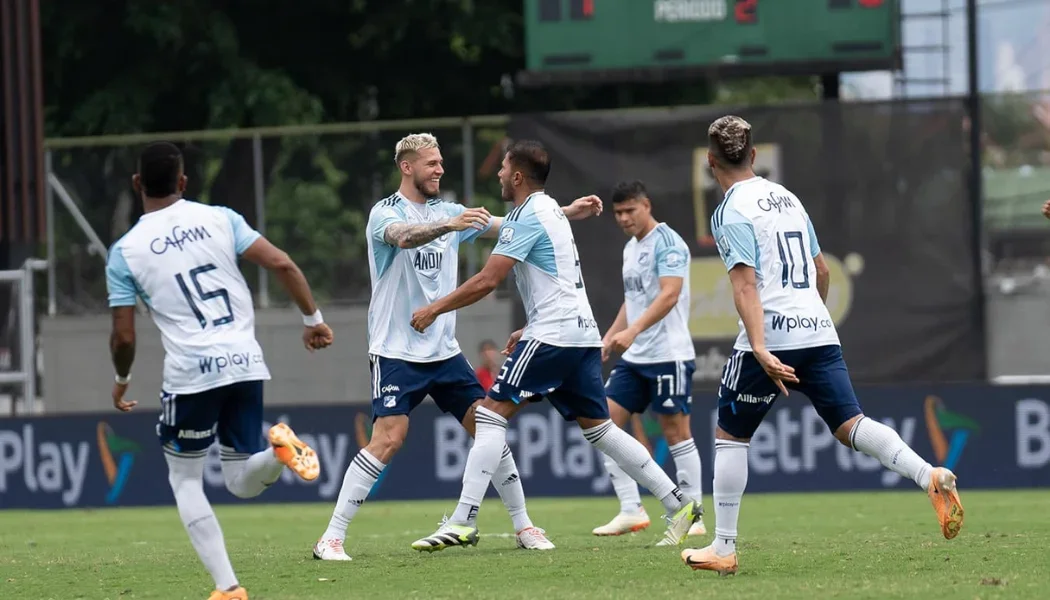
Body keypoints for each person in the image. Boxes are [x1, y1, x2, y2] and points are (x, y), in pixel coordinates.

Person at [680, 116, 965, 576]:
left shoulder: (730, 209)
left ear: (712, 162)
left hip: (770, 334)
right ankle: (927, 474)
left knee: (730, 436)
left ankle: (724, 547)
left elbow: (746, 287)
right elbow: (823, 271)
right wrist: (810, 321)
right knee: (851, 424)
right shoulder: (790, 200)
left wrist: (761, 347)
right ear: (753, 156)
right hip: (817, 327)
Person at [313, 133, 603, 560]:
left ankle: (524, 526)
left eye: (441, 162)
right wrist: (449, 225)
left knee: (488, 426)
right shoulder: (385, 213)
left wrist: (565, 212)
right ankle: (331, 537)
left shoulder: (449, 211)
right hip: (396, 350)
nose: (440, 169)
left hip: (444, 352)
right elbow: (404, 236)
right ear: (407, 167)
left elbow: (515, 227)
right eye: (431, 163)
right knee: (389, 439)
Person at [408, 140, 703, 551]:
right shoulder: (551, 212)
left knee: (490, 417)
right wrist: (528, 326)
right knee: (601, 430)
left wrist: (434, 308)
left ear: (516, 176)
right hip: (579, 334)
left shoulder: (525, 216)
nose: (497, 175)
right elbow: (556, 282)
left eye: (502, 169)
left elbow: (487, 280)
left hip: (555, 335)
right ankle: (680, 504)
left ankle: (463, 520)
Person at [106, 142, 334, 600]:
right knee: (238, 480)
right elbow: (282, 263)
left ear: (136, 185)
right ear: (184, 182)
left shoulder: (126, 251)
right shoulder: (221, 218)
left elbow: (125, 336)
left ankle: (228, 587)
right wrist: (313, 320)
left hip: (192, 373)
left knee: (185, 479)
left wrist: (122, 379)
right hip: (246, 361)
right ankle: (278, 453)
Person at [593, 180, 706, 543]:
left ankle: (696, 514)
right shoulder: (631, 248)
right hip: (636, 356)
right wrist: (610, 337)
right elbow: (633, 300)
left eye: (630, 211)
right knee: (602, 425)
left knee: (676, 431)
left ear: (647, 205)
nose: (624, 218)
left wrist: (634, 331)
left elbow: (670, 295)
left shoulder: (669, 243)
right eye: (618, 213)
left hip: (668, 354)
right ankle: (631, 509)